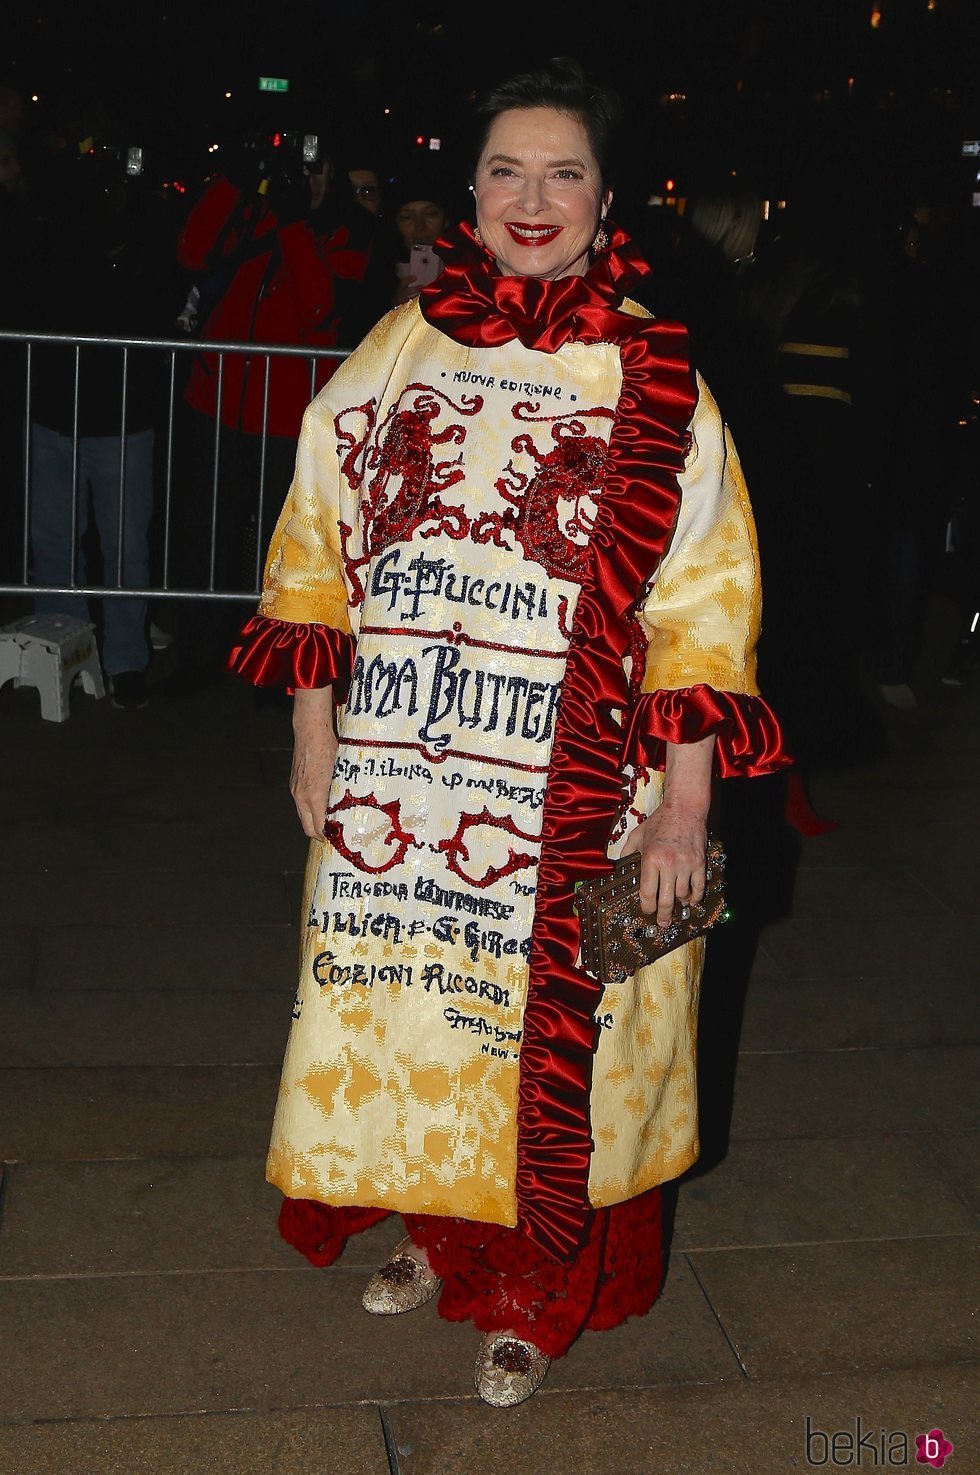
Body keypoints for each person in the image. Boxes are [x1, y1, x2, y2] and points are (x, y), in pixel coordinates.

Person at [229, 57, 788, 1408]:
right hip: (402, 781)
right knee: (422, 1017)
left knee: (558, 1053)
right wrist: (314, 733)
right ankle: (439, 1233)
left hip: (580, 794)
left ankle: (540, 1285)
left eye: (564, 172)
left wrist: (687, 808)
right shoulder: (401, 343)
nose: (531, 198)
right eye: (505, 169)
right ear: (467, 192)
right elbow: (315, 541)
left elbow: (706, 611)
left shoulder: (655, 378)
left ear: (606, 200)